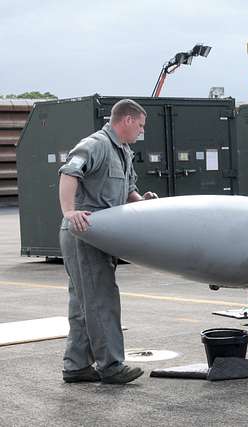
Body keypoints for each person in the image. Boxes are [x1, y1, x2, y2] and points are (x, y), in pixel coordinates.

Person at [59, 99, 158, 384]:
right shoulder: (97, 144)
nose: (141, 132)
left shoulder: (123, 152)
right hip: (83, 231)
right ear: (126, 120)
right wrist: (69, 212)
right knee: (102, 299)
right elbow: (69, 172)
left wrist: (143, 204)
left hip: (100, 234)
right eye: (140, 126)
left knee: (83, 302)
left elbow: (128, 190)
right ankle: (111, 366)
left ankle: (76, 366)